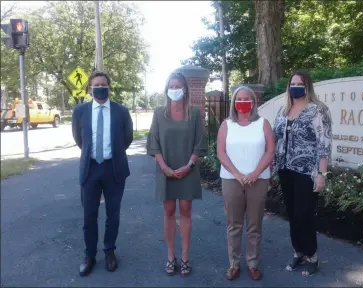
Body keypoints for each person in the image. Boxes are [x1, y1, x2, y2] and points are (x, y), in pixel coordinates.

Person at [72, 71, 133, 277]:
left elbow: (127, 138)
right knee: (89, 215)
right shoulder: (80, 111)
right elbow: (80, 140)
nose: (100, 87)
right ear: (90, 88)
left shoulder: (121, 111)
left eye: (104, 85)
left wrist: (111, 154)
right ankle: (89, 255)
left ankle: (109, 251)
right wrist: (93, 153)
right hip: (90, 169)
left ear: (109, 87)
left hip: (113, 168)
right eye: (96, 84)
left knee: (113, 214)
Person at [146, 72, 207, 277]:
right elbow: (153, 143)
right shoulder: (159, 113)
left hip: (188, 170)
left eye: (178, 86)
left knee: (186, 211)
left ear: (185, 89)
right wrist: (164, 167)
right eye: (170, 86)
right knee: (169, 212)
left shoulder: (195, 113)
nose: (174, 90)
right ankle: (171, 256)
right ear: (166, 90)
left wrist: (188, 166)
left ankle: (185, 257)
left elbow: (200, 144)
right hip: (166, 170)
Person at [273, 71, 332, 276]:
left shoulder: (318, 111)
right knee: (292, 214)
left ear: (308, 86)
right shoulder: (283, 110)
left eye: (300, 83)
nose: (295, 86)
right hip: (285, 170)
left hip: (307, 172)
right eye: (292, 83)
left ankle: (312, 254)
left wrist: (321, 175)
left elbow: (324, 145)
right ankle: (298, 251)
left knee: (303, 215)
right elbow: (276, 139)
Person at [216, 86, 275, 281]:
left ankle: (252, 263)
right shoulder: (226, 124)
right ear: (234, 102)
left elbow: (270, 151)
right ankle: (234, 264)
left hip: (258, 180)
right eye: (238, 98)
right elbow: (221, 153)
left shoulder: (263, 123)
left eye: (246, 98)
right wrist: (237, 173)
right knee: (234, 224)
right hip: (232, 180)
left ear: (253, 102)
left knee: (254, 224)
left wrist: (255, 173)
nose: (242, 101)